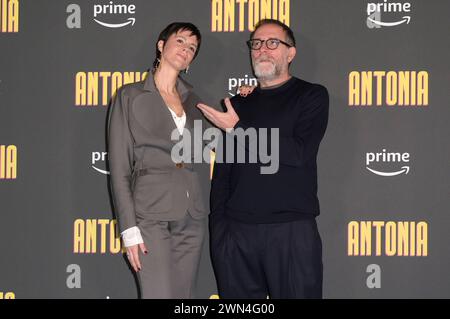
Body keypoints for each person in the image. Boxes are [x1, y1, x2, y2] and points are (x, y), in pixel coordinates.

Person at [197, 19, 329, 298]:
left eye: (272, 43)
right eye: (256, 44)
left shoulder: (311, 95)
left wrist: (238, 128)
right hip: (235, 235)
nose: (262, 50)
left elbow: (299, 152)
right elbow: (223, 173)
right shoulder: (238, 104)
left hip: (290, 231)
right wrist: (220, 229)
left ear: (290, 53)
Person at [107, 22, 209, 299]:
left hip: (192, 216)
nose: (186, 50)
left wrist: (246, 101)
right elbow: (119, 169)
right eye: (180, 42)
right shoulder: (129, 96)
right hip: (149, 216)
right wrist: (129, 229)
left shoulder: (194, 101)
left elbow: (211, 147)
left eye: (192, 48)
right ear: (161, 45)